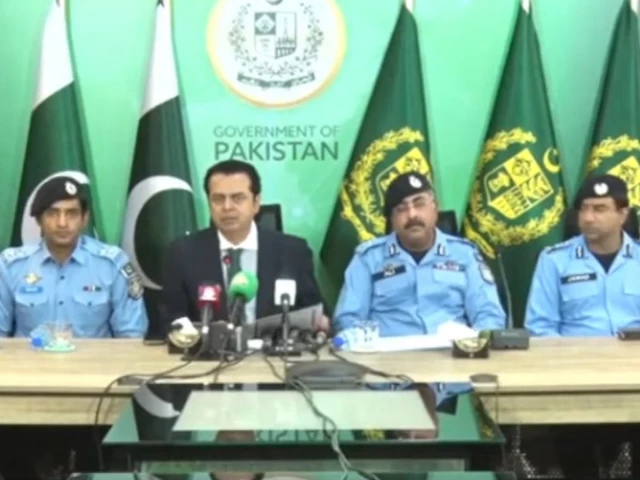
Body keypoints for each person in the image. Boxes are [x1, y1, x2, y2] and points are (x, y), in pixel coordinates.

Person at [525, 173, 640, 478]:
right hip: (575, 382)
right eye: (584, 209)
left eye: (600, 209)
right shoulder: (554, 260)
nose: (588, 218)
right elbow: (540, 328)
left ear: (623, 214)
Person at [333, 171, 506, 337]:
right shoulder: (369, 258)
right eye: (401, 208)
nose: (412, 214)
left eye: (419, 203)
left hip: (451, 352)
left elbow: (489, 314)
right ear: (391, 219)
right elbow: (348, 320)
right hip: (389, 354)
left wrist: (475, 346)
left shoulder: (465, 254)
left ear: (435, 207)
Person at [162, 160, 328, 330]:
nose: (227, 207)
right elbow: (171, 319)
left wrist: (321, 324)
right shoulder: (183, 253)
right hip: (207, 346)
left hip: (273, 345)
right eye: (218, 199)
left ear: (256, 203)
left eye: (238, 198)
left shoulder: (292, 251)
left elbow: (315, 314)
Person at [0, 176, 148, 338]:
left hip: (95, 356)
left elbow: (131, 336)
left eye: (71, 214)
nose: (62, 223)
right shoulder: (11, 266)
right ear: (39, 220)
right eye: (52, 213)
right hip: (30, 355)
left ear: (84, 219)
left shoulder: (112, 263)